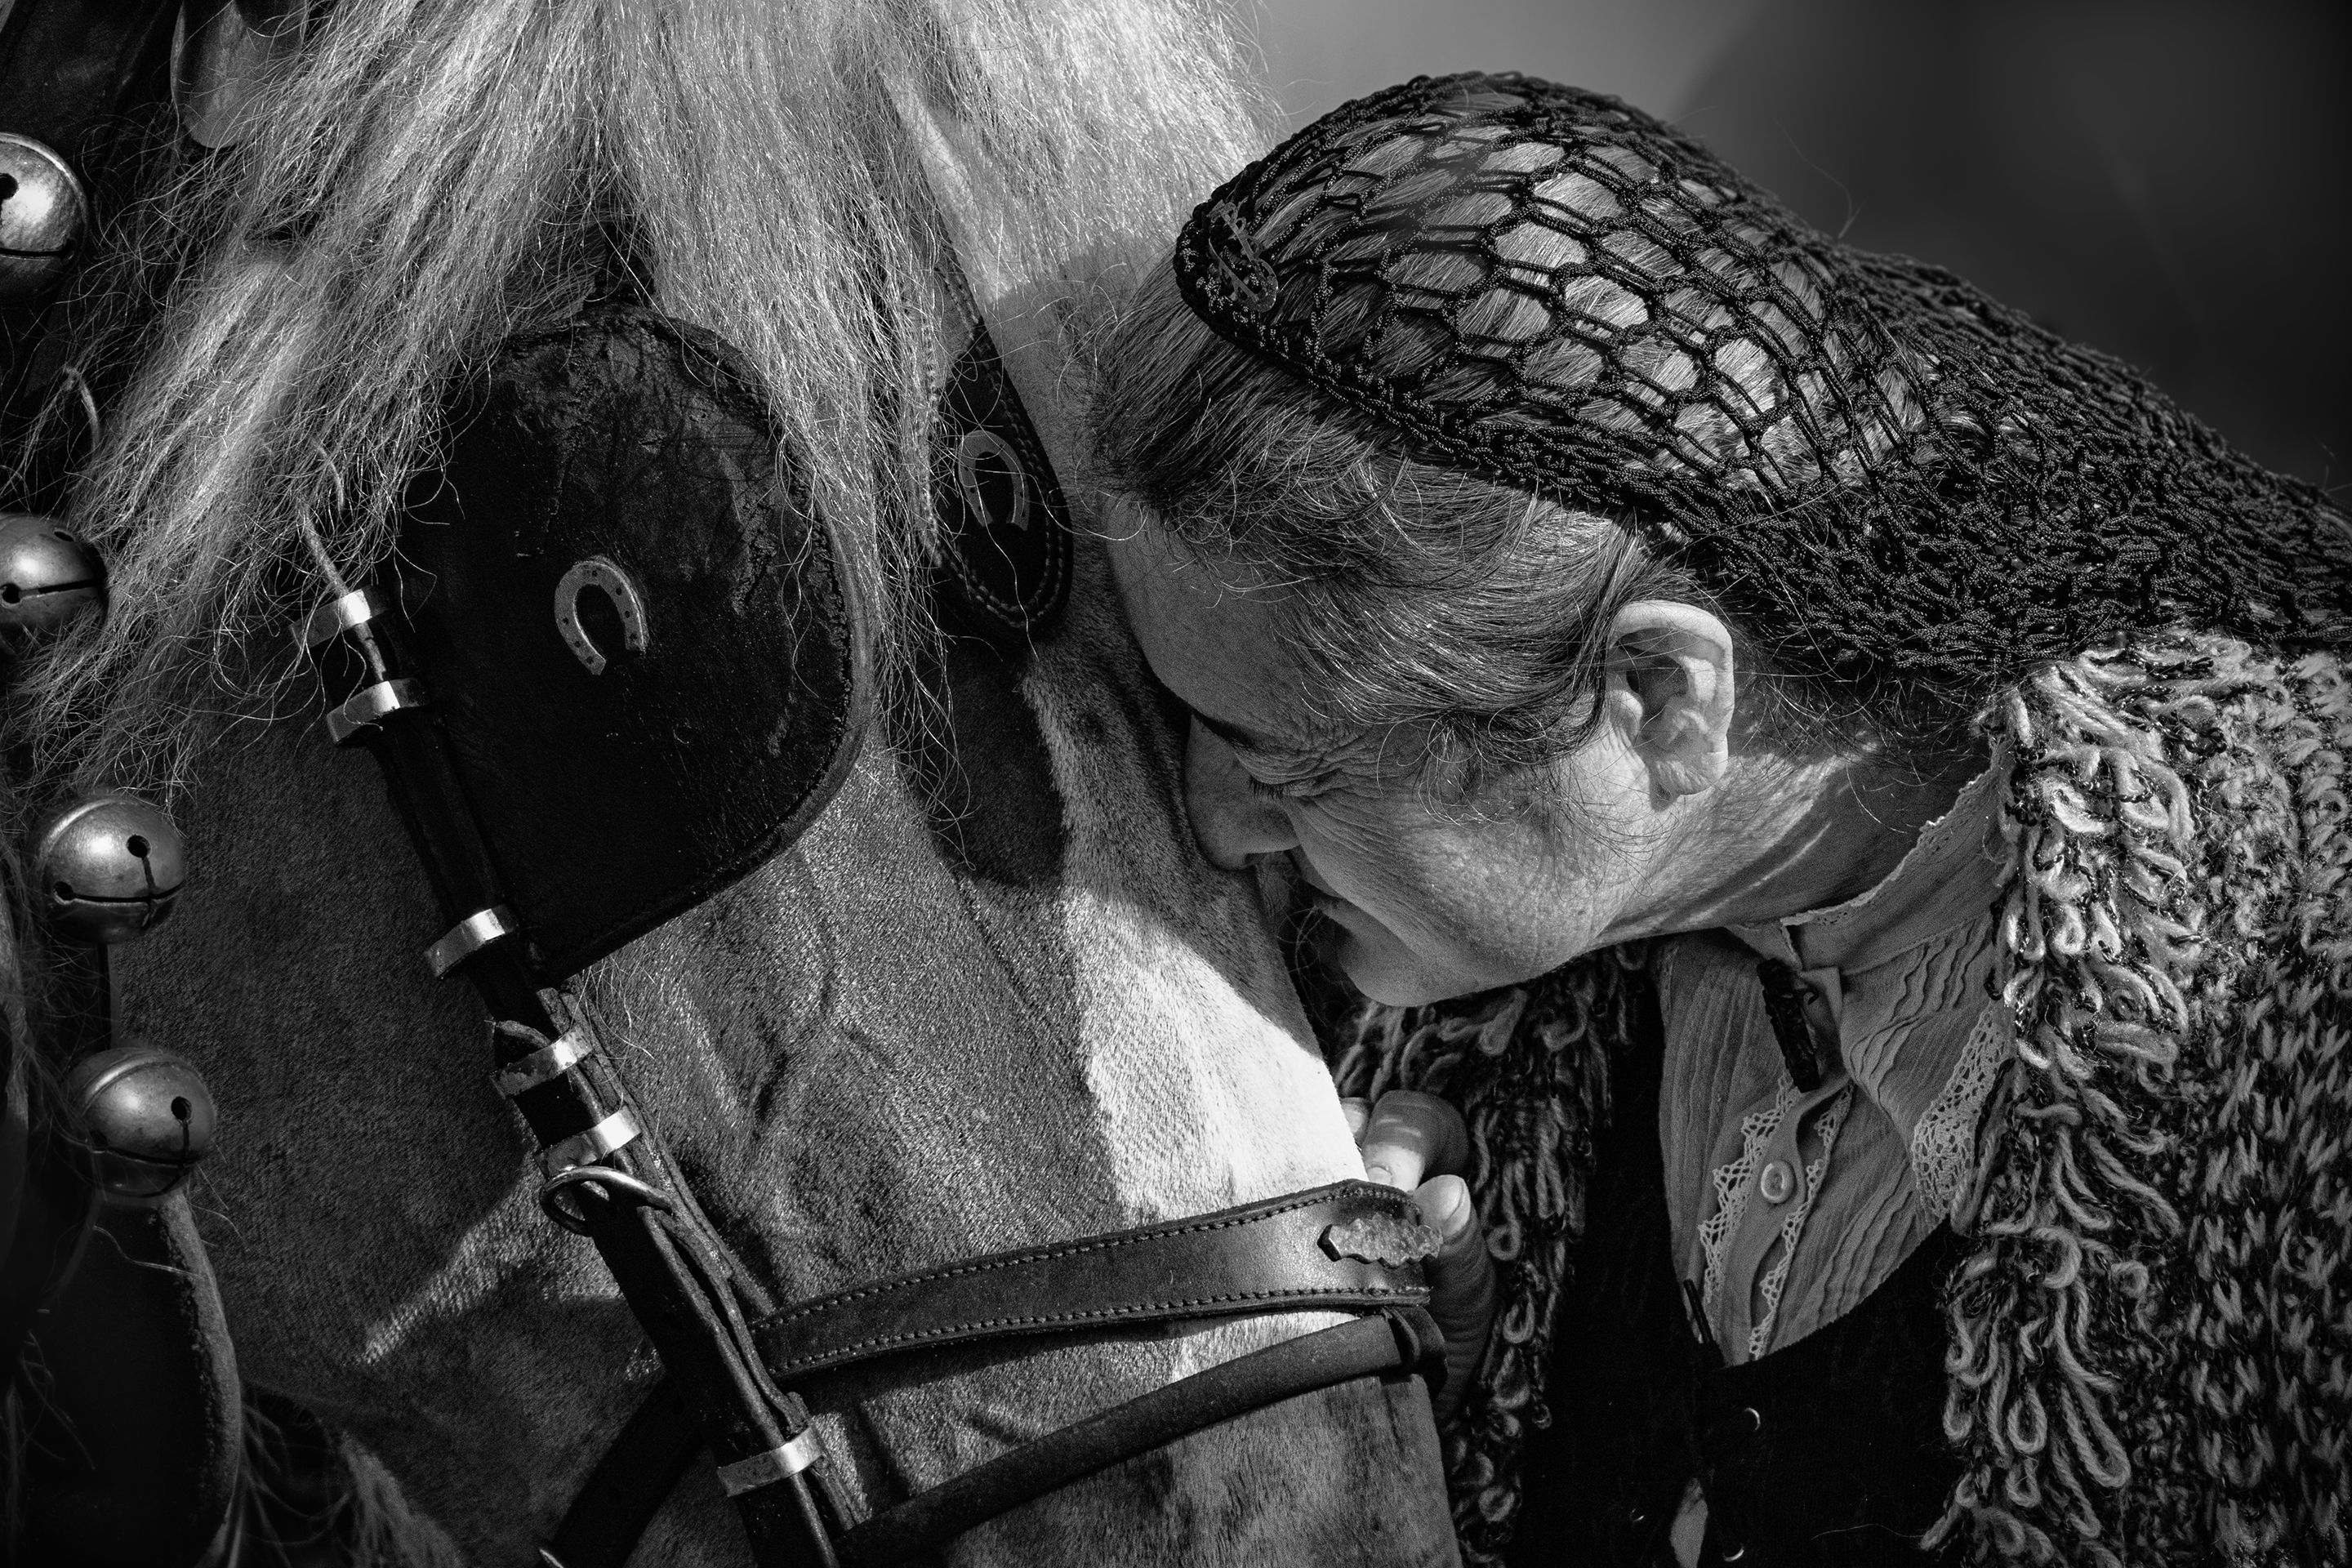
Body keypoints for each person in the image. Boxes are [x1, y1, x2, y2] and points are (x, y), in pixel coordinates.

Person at [1087, 74, 2350, 1567]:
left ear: (1661, 699)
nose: (1215, 830)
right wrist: (1444, 1402)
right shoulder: (1487, 1046)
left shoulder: (2291, 1031)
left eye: (1283, 763)